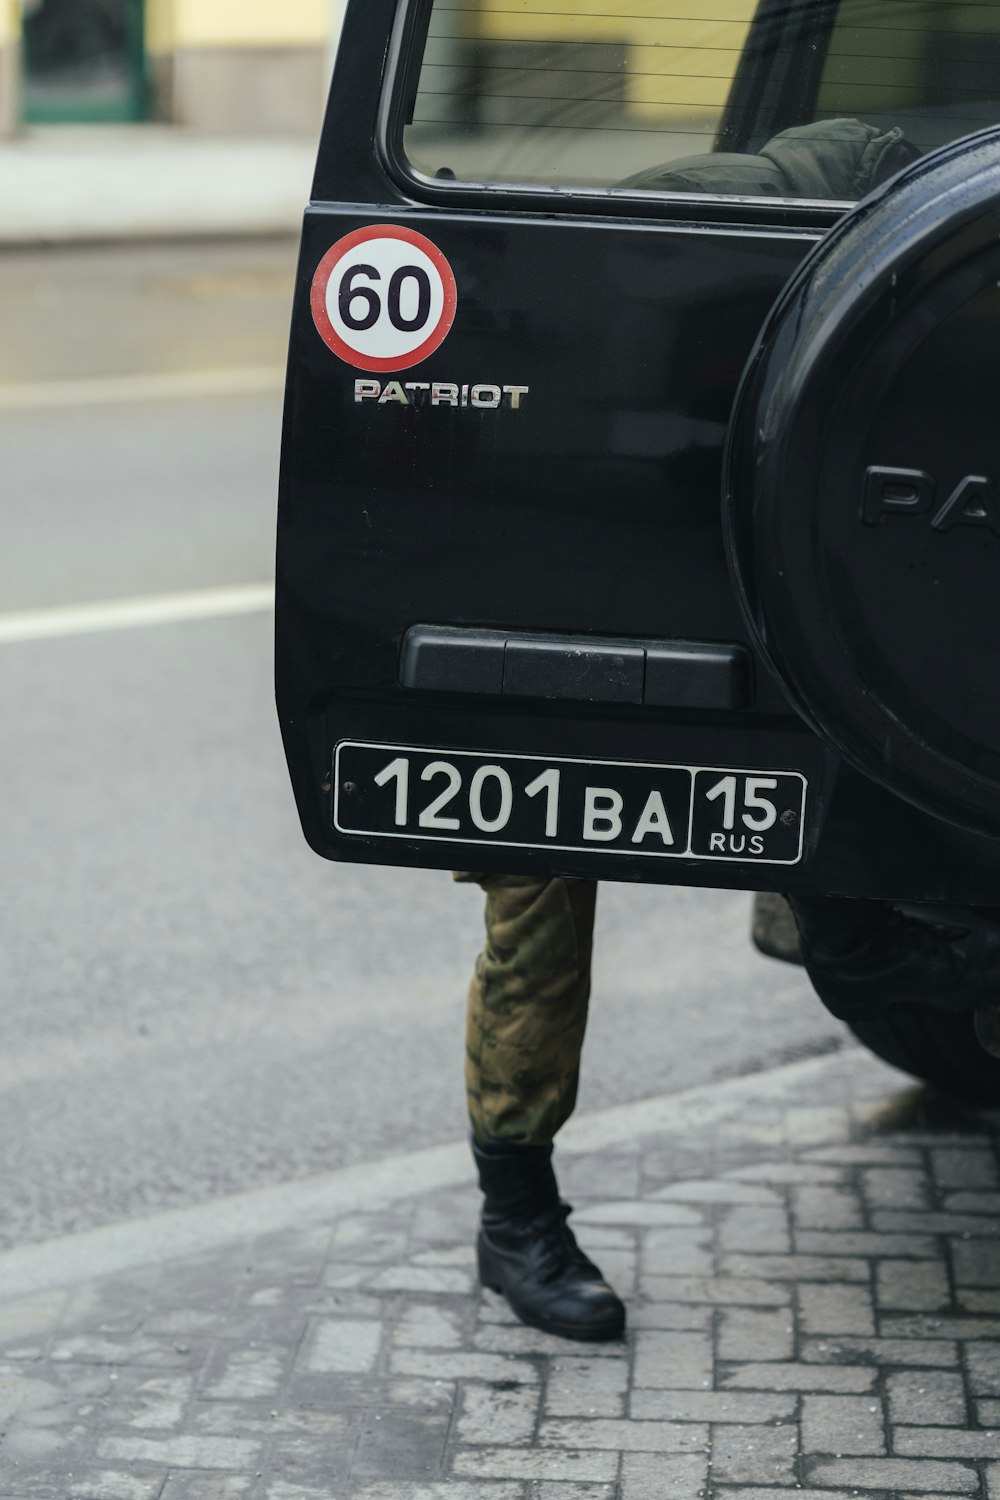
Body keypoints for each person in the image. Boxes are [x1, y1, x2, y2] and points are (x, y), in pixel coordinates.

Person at [457, 118, 923, 1342]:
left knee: (865, 865)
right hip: (620, 550)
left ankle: (904, 989)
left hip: (831, 588)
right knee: (540, 885)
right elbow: (583, 260)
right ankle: (515, 1214)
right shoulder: (814, 177)